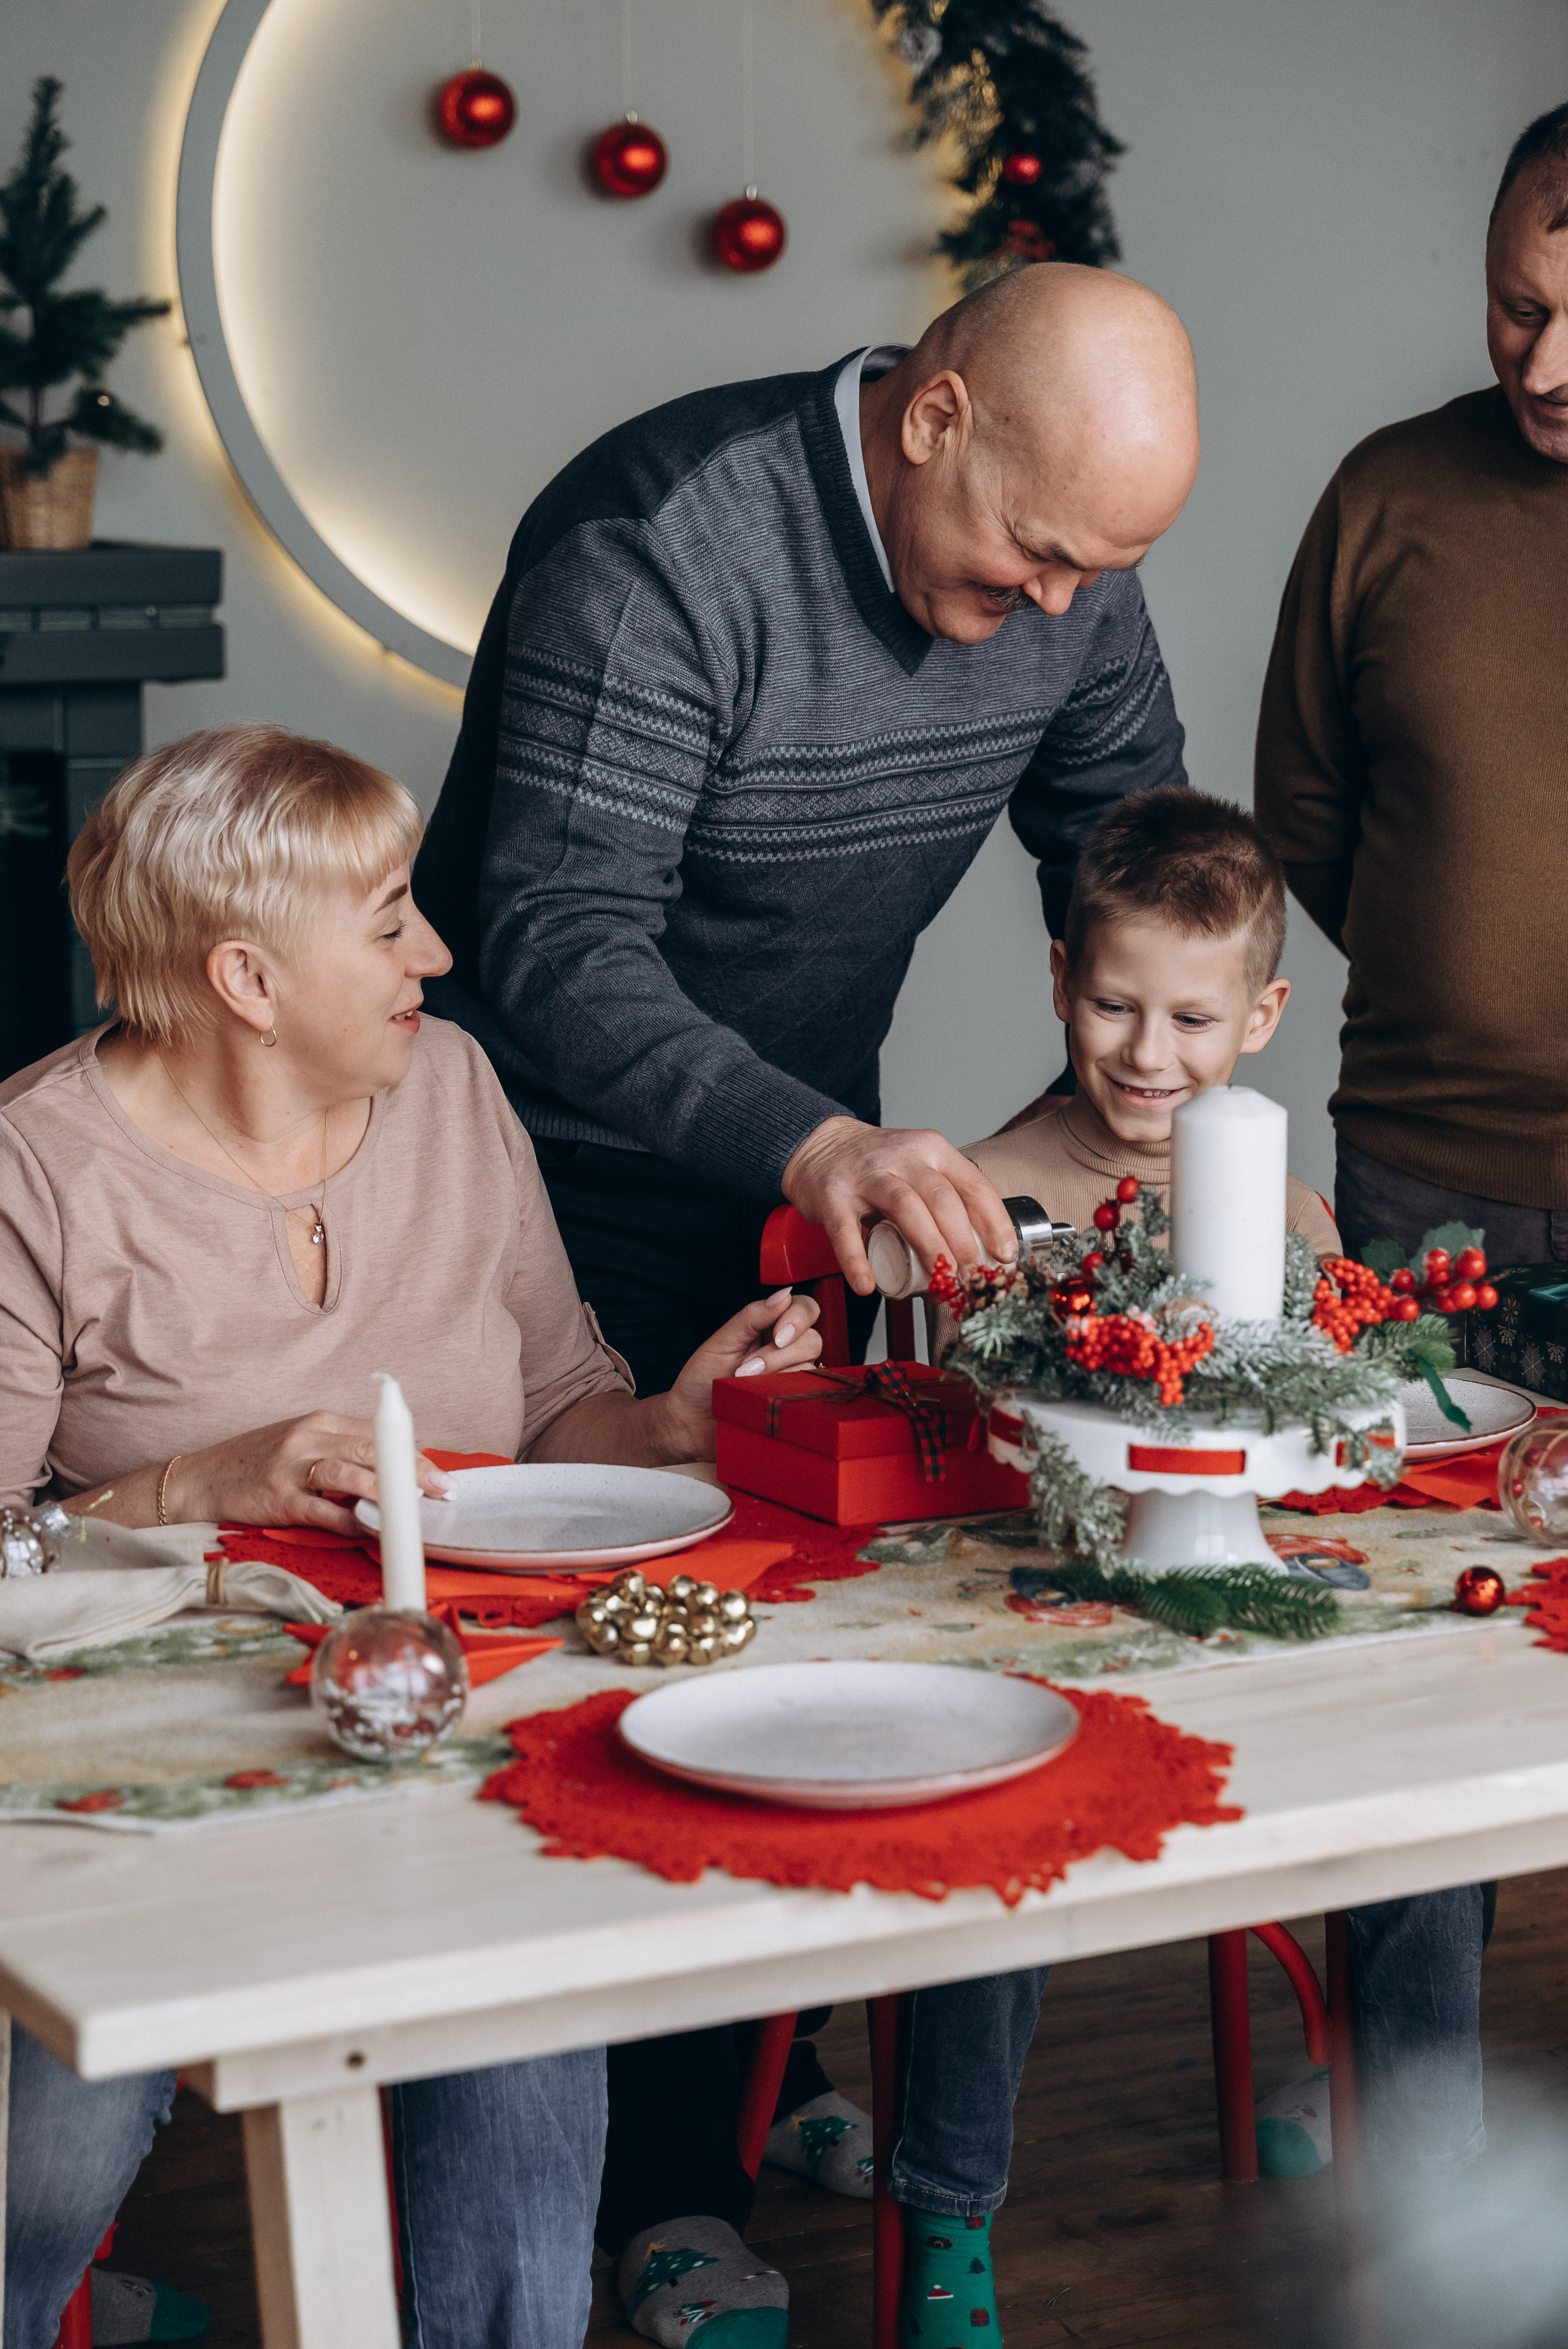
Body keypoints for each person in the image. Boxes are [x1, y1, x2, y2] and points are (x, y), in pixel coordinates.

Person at [413, 262, 1200, 2314]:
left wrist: (1142, 1072)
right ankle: (660, 2187)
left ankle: (768, 2069)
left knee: (814, 1621)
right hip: (554, 1175)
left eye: (1097, 576)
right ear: (933, 413)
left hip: (806, 1154)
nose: (1058, 611)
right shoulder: (660, 541)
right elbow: (563, 940)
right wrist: (817, 1143)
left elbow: (1122, 832)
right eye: (1036, 557)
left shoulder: (1065, 555)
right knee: (622, 1655)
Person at [0, 725, 823, 2349]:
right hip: (144, 1774)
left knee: (526, 2024)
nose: (435, 954)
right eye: (387, 921)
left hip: (467, 1729)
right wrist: (189, 1484)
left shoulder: (448, 1085)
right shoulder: (39, 1166)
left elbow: (559, 1411)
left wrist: (670, 1425)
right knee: (49, 2151)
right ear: (246, 975)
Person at [1255, 98, 1568, 1271]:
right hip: (1420, 1174)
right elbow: (1307, 814)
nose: (1546, 367)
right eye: (1520, 308)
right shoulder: (1387, 494)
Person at [951, 790, 1338, 1262]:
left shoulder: (1293, 1220)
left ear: (1259, 1020)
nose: (1146, 1055)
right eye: (1113, 1007)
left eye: (1191, 1019)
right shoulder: (976, 1193)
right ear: (1065, 984)